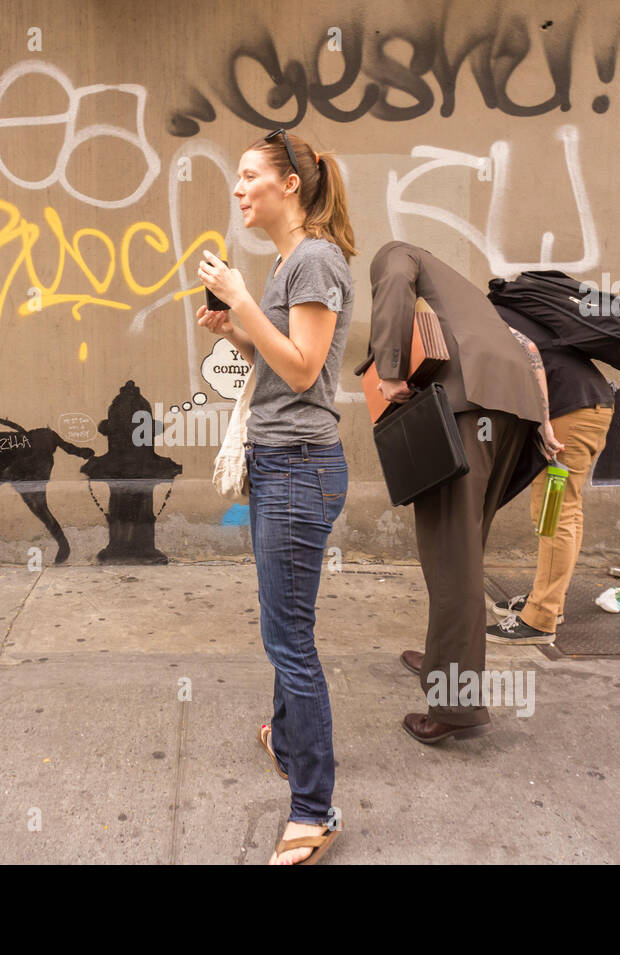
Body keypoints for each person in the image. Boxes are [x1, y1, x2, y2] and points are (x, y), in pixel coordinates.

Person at [197, 129, 355, 865]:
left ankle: (314, 808)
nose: (239, 188)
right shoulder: (291, 260)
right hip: (278, 461)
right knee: (280, 627)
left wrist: (238, 297)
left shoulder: (316, 257)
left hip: (299, 466)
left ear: (291, 184)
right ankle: (288, 738)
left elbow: (303, 370)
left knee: (292, 641)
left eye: (250, 174)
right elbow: (275, 360)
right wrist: (235, 329)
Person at [358, 242, 563, 744]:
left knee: (452, 558)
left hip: (465, 408)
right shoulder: (467, 295)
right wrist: (544, 420)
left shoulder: (397, 253)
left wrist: (387, 370)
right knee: (461, 550)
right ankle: (440, 659)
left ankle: (455, 704)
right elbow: (528, 349)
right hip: (510, 411)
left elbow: (392, 284)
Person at [486, 302, 614, 645]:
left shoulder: (487, 316)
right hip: (587, 405)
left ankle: (541, 618)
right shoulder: (509, 312)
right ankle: (548, 603)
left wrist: (543, 424)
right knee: (561, 511)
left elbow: (529, 352)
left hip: (570, 415)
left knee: (555, 513)